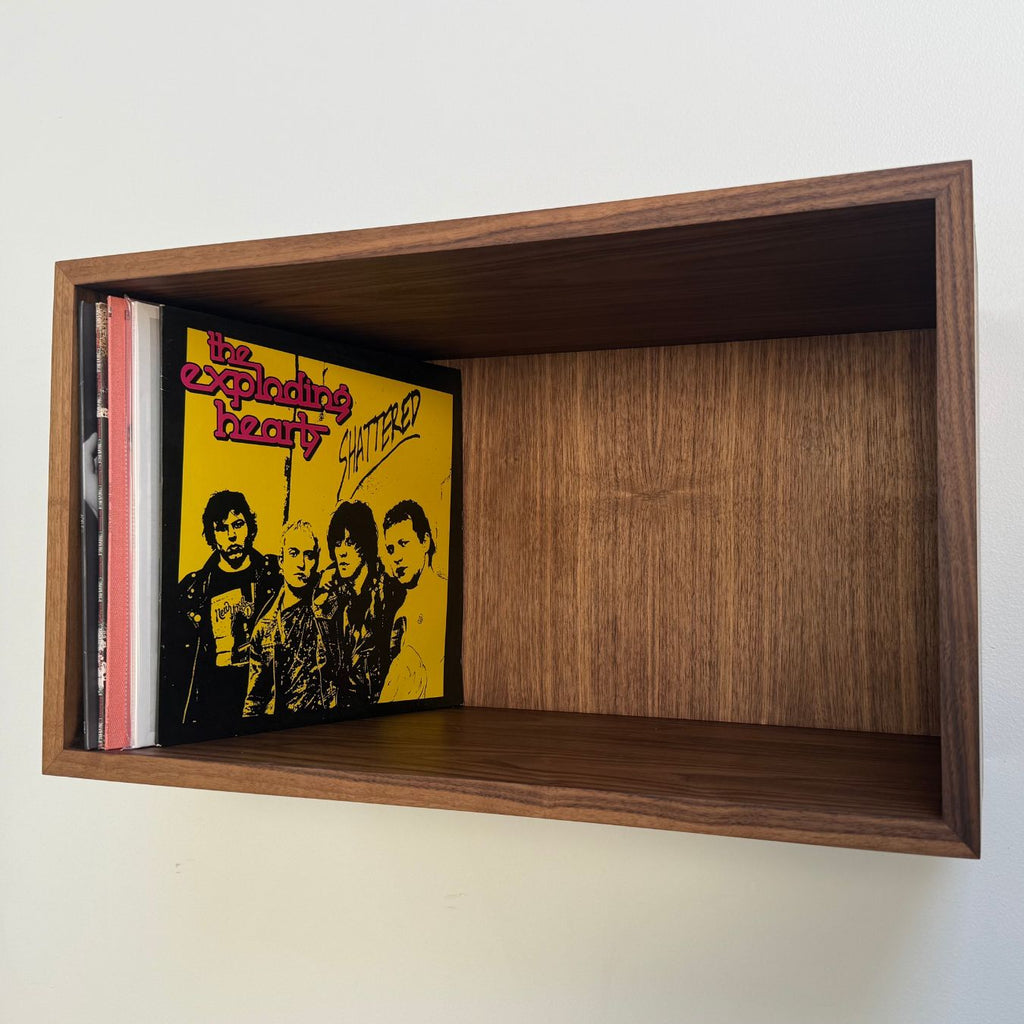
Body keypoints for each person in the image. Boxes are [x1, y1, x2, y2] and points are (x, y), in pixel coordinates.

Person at [175, 491, 281, 734]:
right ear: (212, 535)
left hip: (261, 699)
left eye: (238, 524)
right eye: (222, 528)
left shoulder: (272, 576)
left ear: (249, 527)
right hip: (214, 703)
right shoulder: (193, 588)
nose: (232, 535)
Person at [315, 501, 405, 707]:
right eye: (338, 544)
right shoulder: (332, 601)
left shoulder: (389, 598)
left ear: (365, 545)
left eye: (350, 542)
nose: (342, 552)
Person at [243, 521, 337, 719]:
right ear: (282, 560)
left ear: (317, 561)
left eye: (309, 555)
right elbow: (255, 699)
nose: (301, 563)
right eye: (294, 553)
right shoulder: (265, 627)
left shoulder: (329, 607)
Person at [378, 500, 447, 702]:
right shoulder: (400, 612)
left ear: (425, 541)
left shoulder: (442, 595)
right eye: (390, 549)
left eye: (403, 544)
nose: (396, 557)